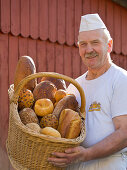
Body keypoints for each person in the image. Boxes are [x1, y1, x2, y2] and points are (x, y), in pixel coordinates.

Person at [48, 13, 127, 170]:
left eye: (95, 43)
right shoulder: (75, 86)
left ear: (109, 45)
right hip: (76, 164)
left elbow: (124, 133)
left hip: (110, 164)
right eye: (83, 44)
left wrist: (86, 154)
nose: (89, 49)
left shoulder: (120, 80)